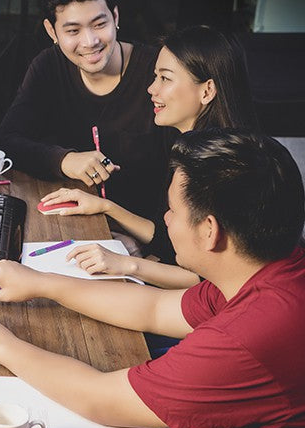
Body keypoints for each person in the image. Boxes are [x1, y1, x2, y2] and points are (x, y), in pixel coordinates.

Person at [0, 129, 305, 428]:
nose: (165, 219)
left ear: (209, 231)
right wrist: (41, 282)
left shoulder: (249, 337)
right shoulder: (273, 265)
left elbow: (100, 399)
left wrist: (3, 346)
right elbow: (155, 308)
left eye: (173, 211)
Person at [39, 25, 258, 288]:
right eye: (155, 77)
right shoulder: (188, 146)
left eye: (165, 78)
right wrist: (105, 207)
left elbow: (209, 281)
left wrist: (129, 265)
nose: (151, 89)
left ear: (207, 91)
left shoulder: (223, 170)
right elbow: (167, 239)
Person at [0, 0, 174, 222]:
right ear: (51, 31)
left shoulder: (157, 71)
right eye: (73, 31)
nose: (90, 42)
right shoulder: (48, 66)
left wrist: (146, 244)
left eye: (99, 24)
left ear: (116, 17)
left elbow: (184, 172)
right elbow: (6, 141)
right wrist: (64, 160)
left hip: (142, 236)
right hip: (74, 223)